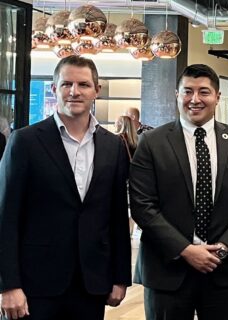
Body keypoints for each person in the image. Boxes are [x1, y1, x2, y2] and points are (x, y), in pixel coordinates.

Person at [129, 64, 228, 320]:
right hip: (167, 270)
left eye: (204, 92)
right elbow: (142, 205)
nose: (195, 99)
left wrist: (223, 247)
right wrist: (186, 249)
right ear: (177, 95)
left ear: (217, 97)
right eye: (188, 91)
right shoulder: (151, 142)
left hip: (224, 269)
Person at [0, 55, 131, 320]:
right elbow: (6, 216)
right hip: (35, 284)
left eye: (83, 84)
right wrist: (8, 285)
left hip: (91, 283)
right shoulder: (24, 142)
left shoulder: (113, 146)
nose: (74, 91)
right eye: (66, 84)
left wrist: (120, 277)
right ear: (53, 89)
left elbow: (117, 216)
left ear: (97, 90)